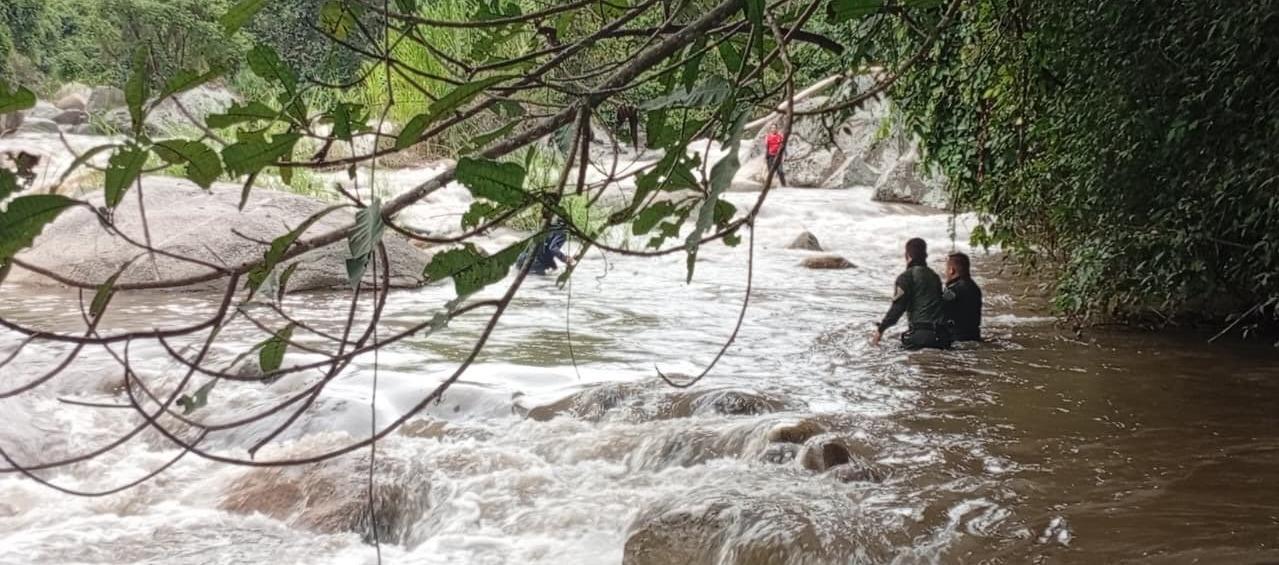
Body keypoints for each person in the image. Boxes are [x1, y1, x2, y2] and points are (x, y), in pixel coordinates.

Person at [872, 237, 952, 349]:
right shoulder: (934, 276)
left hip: (920, 338)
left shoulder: (906, 277)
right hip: (943, 337)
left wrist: (880, 330)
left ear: (907, 256)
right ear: (925, 256)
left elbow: (898, 308)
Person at [942, 252, 983, 342]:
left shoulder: (952, 290)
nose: (945, 272)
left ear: (951, 270)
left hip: (956, 340)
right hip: (974, 336)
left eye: (946, 269)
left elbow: (938, 310)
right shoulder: (974, 287)